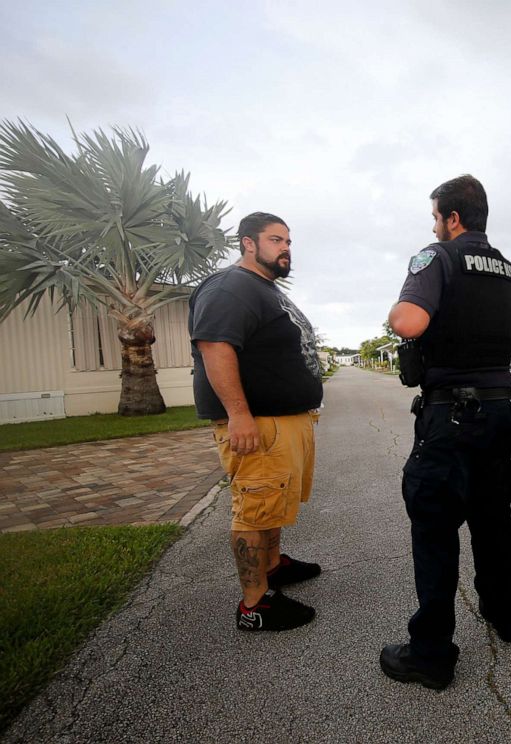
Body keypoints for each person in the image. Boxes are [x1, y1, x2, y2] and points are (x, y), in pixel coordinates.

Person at [380, 174, 511, 690]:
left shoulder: (436, 258)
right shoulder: (509, 269)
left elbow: (408, 323)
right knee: (494, 518)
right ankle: (504, 615)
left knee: (435, 527)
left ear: (452, 218)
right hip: (496, 414)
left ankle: (431, 655)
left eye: (435, 217)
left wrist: (396, 311)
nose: (434, 225)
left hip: (450, 417)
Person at [189, 212, 325, 632]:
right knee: (254, 507)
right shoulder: (231, 286)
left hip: (283, 420)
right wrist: (239, 415)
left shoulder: (265, 288)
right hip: (258, 423)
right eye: (275, 239)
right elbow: (215, 347)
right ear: (248, 243)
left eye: (288, 240)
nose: (285, 247)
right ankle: (254, 604)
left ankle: (272, 566)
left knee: (273, 501)